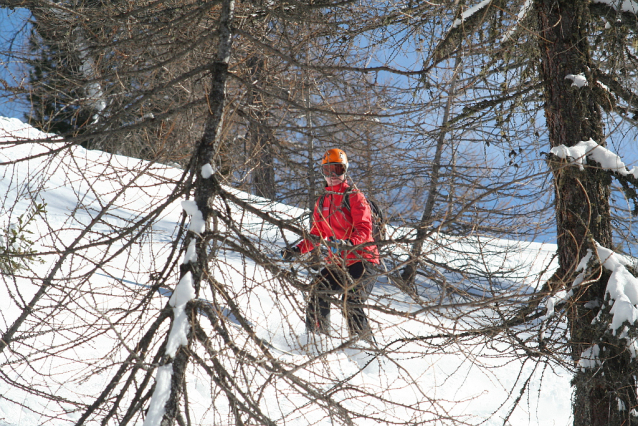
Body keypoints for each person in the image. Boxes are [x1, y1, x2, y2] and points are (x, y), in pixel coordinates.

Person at [281, 148, 379, 342]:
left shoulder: (355, 197)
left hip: (362, 260)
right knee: (317, 290)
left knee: (351, 301)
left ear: (345, 170)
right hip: (339, 263)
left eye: (337, 169)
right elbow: (317, 234)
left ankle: (367, 351)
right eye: (327, 170)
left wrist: (348, 243)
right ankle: (317, 341)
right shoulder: (322, 201)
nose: (332, 175)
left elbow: (364, 229)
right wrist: (297, 249)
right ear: (322, 172)